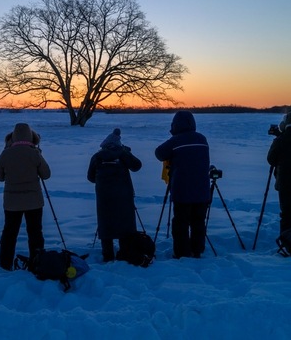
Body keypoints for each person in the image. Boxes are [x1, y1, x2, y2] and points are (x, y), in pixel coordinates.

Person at [154, 111, 211, 259]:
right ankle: (197, 250)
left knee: (181, 223)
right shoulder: (202, 139)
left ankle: (182, 252)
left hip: (182, 191)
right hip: (202, 190)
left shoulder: (176, 141)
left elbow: (159, 153)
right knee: (198, 222)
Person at [0, 123, 51, 271]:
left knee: (9, 232)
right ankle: (37, 262)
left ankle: (5, 263)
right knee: (35, 233)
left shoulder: (5, 154)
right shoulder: (34, 153)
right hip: (34, 202)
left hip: (12, 202)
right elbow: (46, 174)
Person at [87, 128, 143, 262]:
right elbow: (137, 166)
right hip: (124, 195)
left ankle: (108, 254)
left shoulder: (97, 156)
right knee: (125, 223)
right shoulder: (123, 154)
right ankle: (124, 252)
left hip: (104, 197)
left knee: (106, 223)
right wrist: (126, 153)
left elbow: (90, 177)